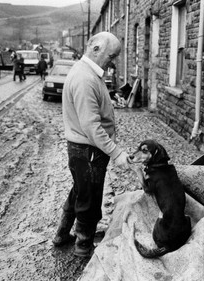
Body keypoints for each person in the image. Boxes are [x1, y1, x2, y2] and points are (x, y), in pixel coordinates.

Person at [53, 31, 130, 257]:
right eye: (112, 56)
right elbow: (91, 126)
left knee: (79, 191)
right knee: (90, 198)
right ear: (95, 49)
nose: (113, 61)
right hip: (89, 151)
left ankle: (62, 234)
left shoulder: (87, 73)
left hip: (83, 150)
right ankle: (83, 246)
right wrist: (116, 153)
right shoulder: (85, 78)